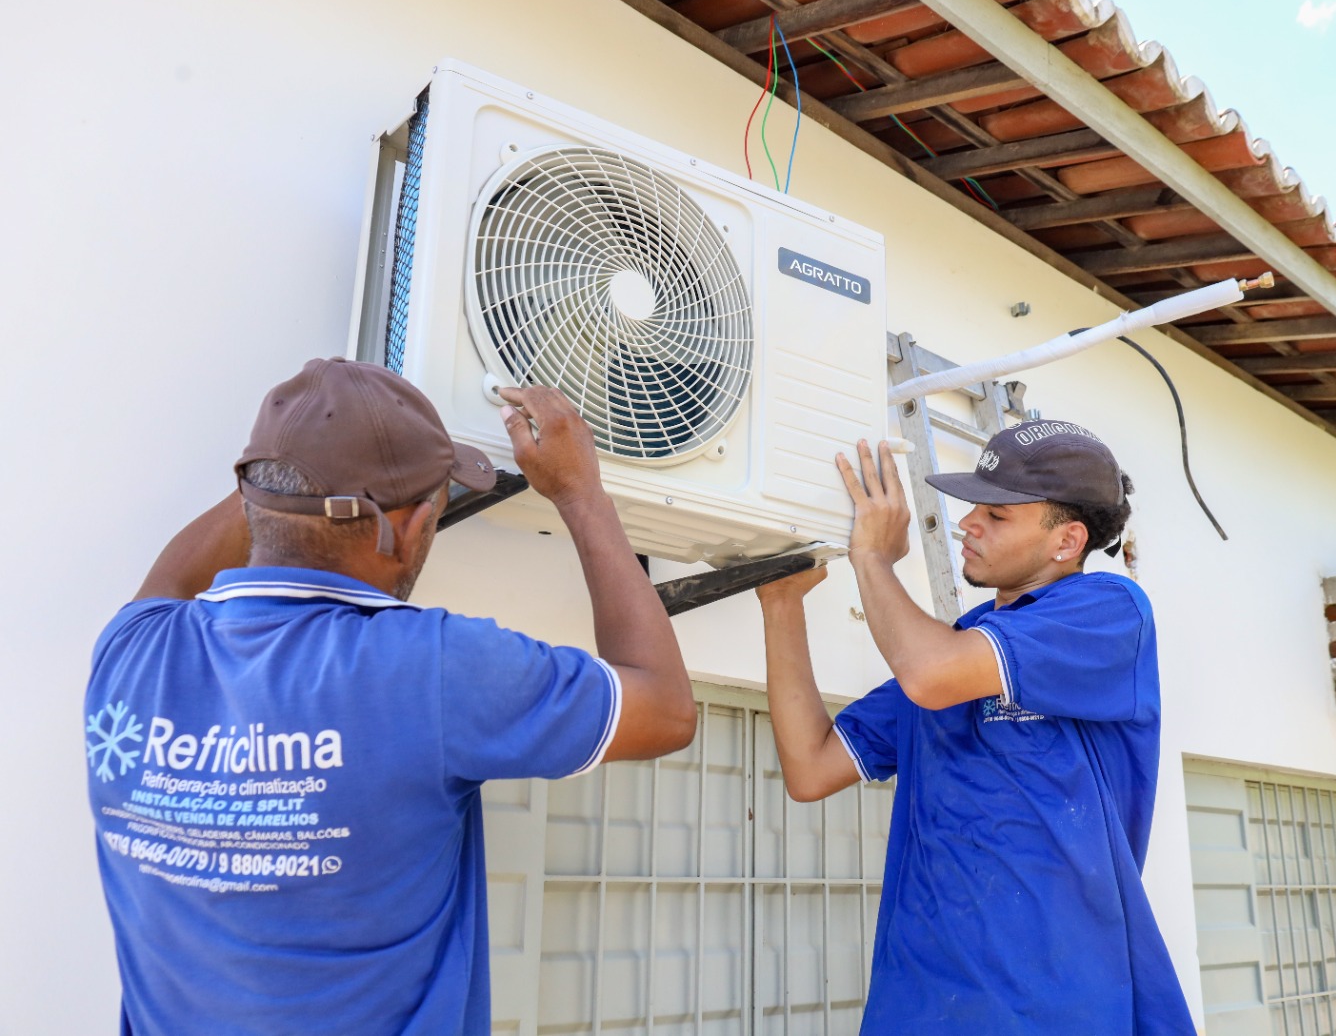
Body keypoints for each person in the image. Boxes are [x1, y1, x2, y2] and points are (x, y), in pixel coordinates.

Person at [83, 357, 695, 1035]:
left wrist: (295, 456)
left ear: (254, 500)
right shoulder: (433, 668)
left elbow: (173, 578)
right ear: (411, 529)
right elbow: (666, 711)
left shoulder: (133, 653)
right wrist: (581, 493)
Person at [756, 421, 1194, 1034]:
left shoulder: (1110, 611)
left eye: (997, 513)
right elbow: (810, 766)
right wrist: (781, 604)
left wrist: (871, 556)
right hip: (919, 1003)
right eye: (972, 509)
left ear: (1067, 542)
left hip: (1057, 1003)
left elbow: (931, 673)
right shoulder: (956, 653)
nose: (967, 524)